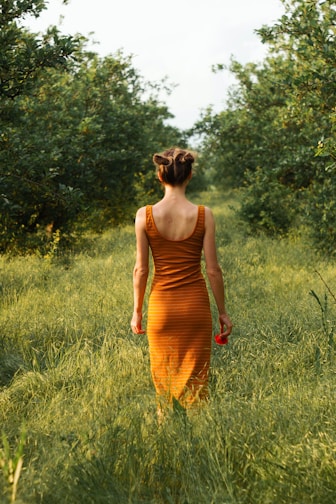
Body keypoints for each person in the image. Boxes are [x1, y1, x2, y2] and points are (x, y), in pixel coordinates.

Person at [131, 147, 232, 411]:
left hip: (161, 310)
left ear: (160, 176)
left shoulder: (145, 215)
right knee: (196, 386)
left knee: (164, 387)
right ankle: (197, 438)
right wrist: (223, 313)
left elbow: (141, 270)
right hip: (195, 309)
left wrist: (137, 311)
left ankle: (168, 435)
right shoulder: (203, 214)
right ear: (189, 176)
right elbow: (213, 270)